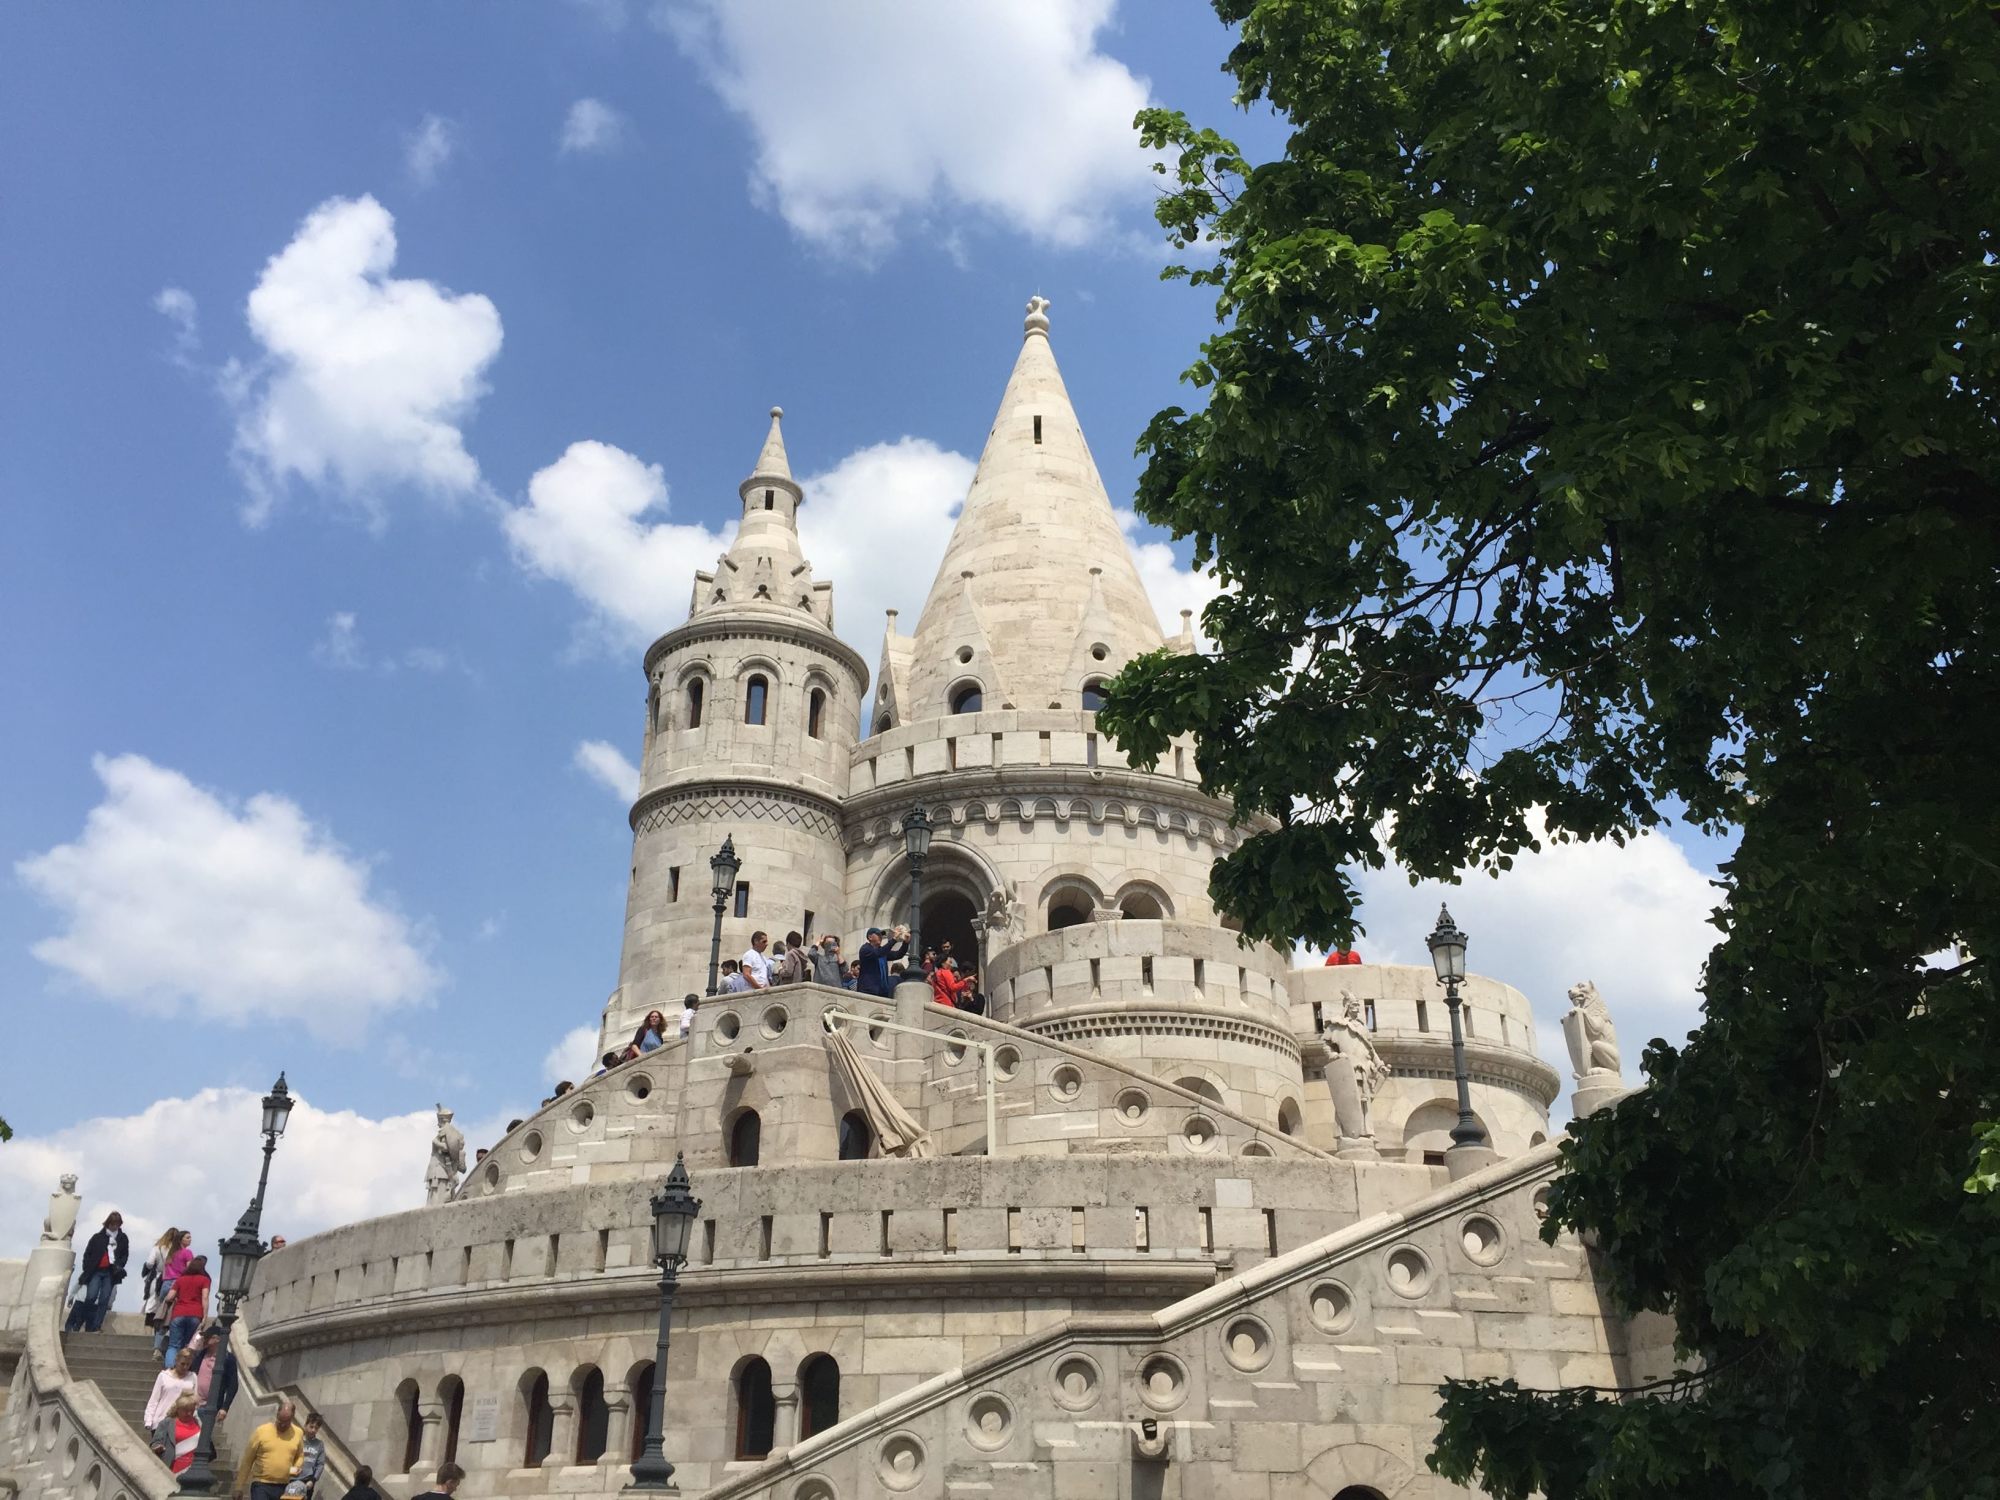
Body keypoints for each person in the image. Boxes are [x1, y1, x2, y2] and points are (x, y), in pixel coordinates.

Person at [65, 1211, 128, 1333]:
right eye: (112, 1224)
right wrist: (87, 1267)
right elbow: (88, 1253)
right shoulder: (98, 1237)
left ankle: (96, 1326)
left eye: (117, 1224)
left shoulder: (122, 1238)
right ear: (108, 1224)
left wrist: (119, 1265)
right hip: (96, 1271)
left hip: (110, 1272)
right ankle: (81, 1321)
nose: (115, 1227)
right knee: (91, 1296)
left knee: (104, 1299)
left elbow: (125, 1254)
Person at [234, 1398, 306, 1500]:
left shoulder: (298, 1433)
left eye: (286, 1422)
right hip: (261, 1483)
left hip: (283, 1486)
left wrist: (296, 1467)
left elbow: (300, 1455)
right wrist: (239, 1487)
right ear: (277, 1414)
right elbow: (247, 1460)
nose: (282, 1425)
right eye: (280, 1420)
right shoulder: (261, 1431)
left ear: (292, 1418)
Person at [164, 1252, 211, 1368]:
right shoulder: (204, 1280)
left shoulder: (180, 1279)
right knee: (190, 1345)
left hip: (178, 1314)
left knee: (173, 1345)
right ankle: (185, 1368)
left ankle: (170, 1368)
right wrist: (205, 1317)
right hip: (195, 1314)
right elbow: (205, 1297)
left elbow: (169, 1297)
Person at [145, 1345, 200, 1429]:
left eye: (188, 1364)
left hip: (182, 1423)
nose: (185, 1367)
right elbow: (154, 1399)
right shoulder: (163, 1376)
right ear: (176, 1361)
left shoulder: (193, 1377)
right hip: (161, 1421)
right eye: (182, 1364)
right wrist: (148, 1420)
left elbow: (194, 1401)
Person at [152, 1392, 204, 1477]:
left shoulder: (199, 1422)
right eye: (186, 1410)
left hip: (194, 1469)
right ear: (178, 1409)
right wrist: (158, 1447)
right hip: (172, 1467)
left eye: (192, 1410)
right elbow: (156, 1442)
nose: (189, 1413)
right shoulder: (167, 1423)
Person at [140, 1226, 179, 1333]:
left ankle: (148, 1332)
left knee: (152, 1305)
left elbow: (149, 1263)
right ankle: (161, 1333)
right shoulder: (179, 1251)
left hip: (157, 1277)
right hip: (173, 1280)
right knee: (167, 1307)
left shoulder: (157, 1248)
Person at [283, 1413, 326, 1500]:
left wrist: (313, 1480)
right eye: (311, 1426)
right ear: (306, 1425)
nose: (313, 1430)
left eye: (316, 1428)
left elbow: (320, 1464)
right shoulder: (297, 1439)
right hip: (292, 1479)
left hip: (308, 1481)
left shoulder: (319, 1444)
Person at [855, 926, 909, 996]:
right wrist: (894, 939)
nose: (881, 937)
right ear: (870, 937)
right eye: (878, 935)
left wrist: (906, 942)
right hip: (868, 990)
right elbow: (878, 953)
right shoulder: (865, 949)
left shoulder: (882, 951)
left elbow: (898, 954)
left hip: (882, 991)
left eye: (882, 935)